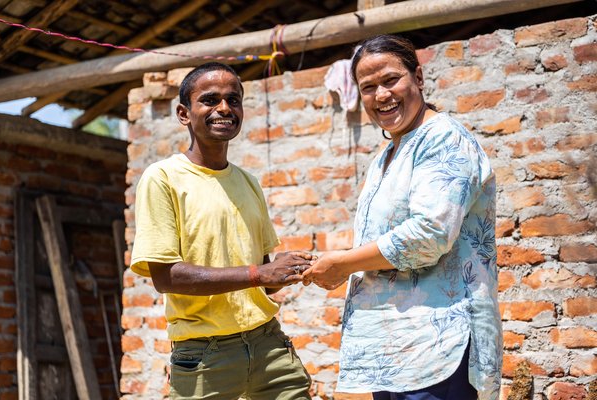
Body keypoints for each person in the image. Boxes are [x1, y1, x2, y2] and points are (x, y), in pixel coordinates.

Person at [303, 35, 502, 400]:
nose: (381, 95)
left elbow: (429, 234)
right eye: (368, 87)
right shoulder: (389, 154)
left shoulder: (444, 139)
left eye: (391, 80)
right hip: (395, 351)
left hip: (438, 347)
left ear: (419, 77)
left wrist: (343, 264)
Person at [130, 62, 312, 400]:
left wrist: (288, 270)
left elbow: (263, 276)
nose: (224, 109)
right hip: (204, 356)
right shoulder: (163, 178)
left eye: (234, 99)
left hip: (268, 343)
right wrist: (261, 273)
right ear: (184, 114)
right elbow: (166, 276)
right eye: (210, 100)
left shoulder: (248, 182)